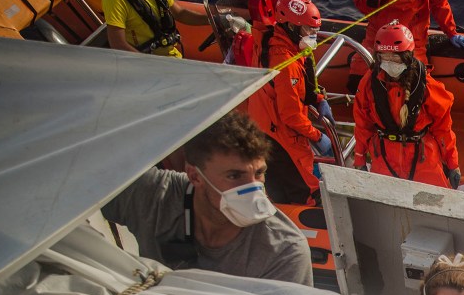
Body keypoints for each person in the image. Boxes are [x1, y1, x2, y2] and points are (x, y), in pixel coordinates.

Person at [101, 112, 312, 284]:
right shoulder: (155, 196)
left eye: (259, 173)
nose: (253, 189)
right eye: (234, 176)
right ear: (194, 176)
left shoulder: (284, 252)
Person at [248, 0, 335, 206]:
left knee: (280, 183)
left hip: (265, 125)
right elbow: (291, 115)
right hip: (280, 135)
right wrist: (317, 137)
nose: (312, 35)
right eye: (308, 30)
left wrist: (318, 98)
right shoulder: (285, 61)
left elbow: (306, 77)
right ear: (291, 27)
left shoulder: (280, 42)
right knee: (304, 190)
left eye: (314, 30)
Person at [352, 21, 462, 189]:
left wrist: (452, 164)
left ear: (407, 56)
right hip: (384, 157)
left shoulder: (428, 86)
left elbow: (443, 128)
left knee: (435, 204)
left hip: (423, 157)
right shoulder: (369, 83)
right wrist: (359, 159)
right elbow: (362, 125)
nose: (389, 61)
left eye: (395, 56)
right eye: (384, 56)